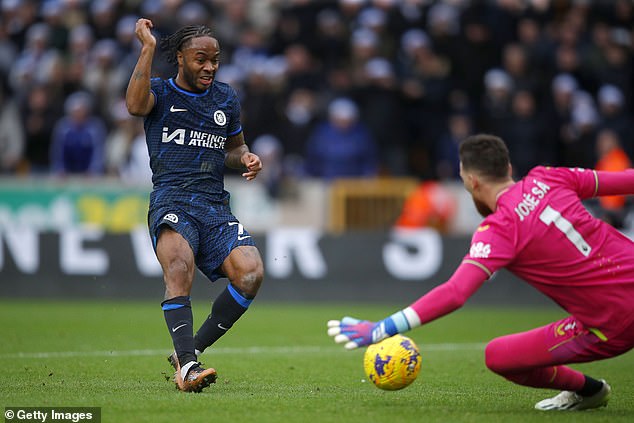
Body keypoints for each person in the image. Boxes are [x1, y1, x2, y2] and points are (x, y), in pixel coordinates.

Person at [328, 134, 634, 411]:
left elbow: (455, 293)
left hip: (613, 323)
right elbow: (626, 180)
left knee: (499, 357)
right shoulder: (550, 177)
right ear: (509, 167)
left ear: (472, 181)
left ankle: (589, 391)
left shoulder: (499, 229)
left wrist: (381, 329)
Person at [126, 18, 264, 393]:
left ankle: (189, 350)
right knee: (178, 266)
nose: (209, 67)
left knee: (251, 273)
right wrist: (147, 48)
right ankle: (188, 367)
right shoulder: (160, 92)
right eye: (201, 59)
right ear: (182, 59)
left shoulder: (225, 98)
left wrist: (247, 159)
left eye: (215, 60)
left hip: (214, 204)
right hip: (172, 198)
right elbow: (135, 106)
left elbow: (234, 149)